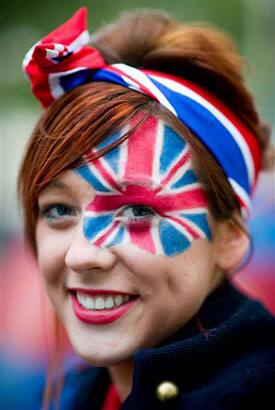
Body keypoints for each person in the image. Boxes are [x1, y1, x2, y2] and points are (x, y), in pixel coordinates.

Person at [19, 6, 275, 410]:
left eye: (139, 210)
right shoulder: (62, 397)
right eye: (58, 210)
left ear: (229, 236)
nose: (81, 254)